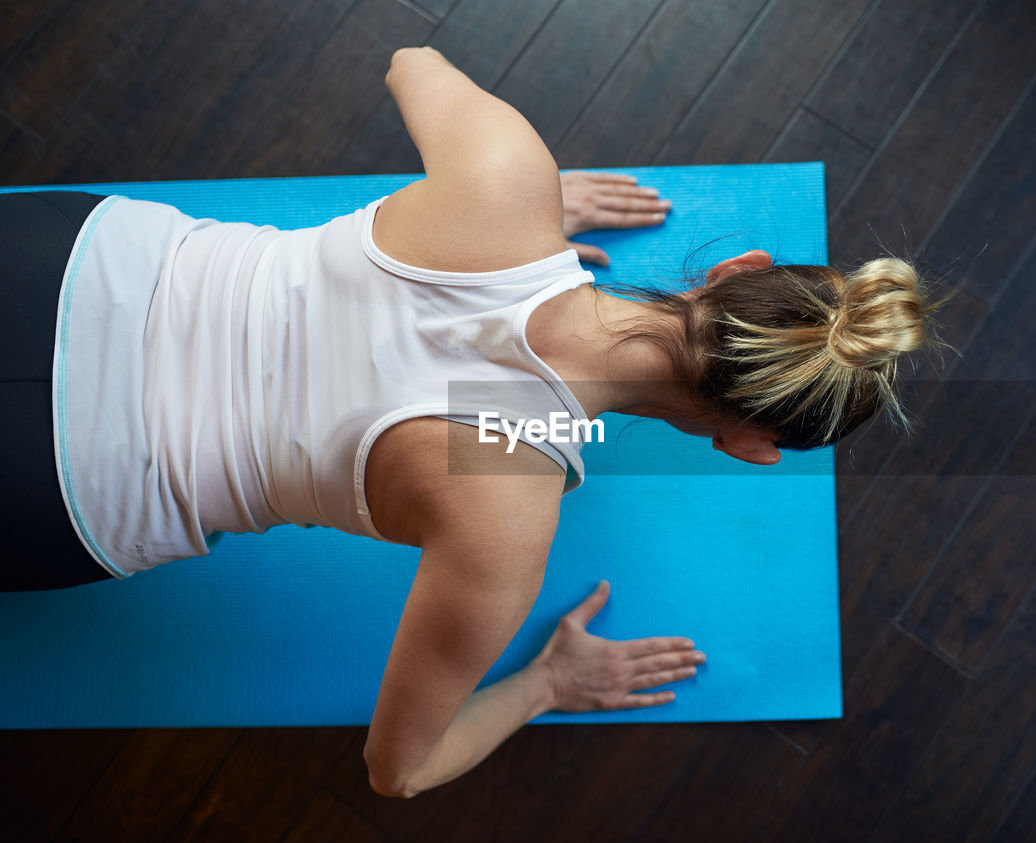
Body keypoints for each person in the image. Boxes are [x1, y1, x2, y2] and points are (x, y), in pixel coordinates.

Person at [0, 46, 950, 797]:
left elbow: (409, 57)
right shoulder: (507, 521)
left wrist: (526, 200)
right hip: (61, 485)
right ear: (749, 445)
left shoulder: (502, 173)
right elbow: (399, 769)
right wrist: (549, 681)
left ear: (736, 270)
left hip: (67, 269)